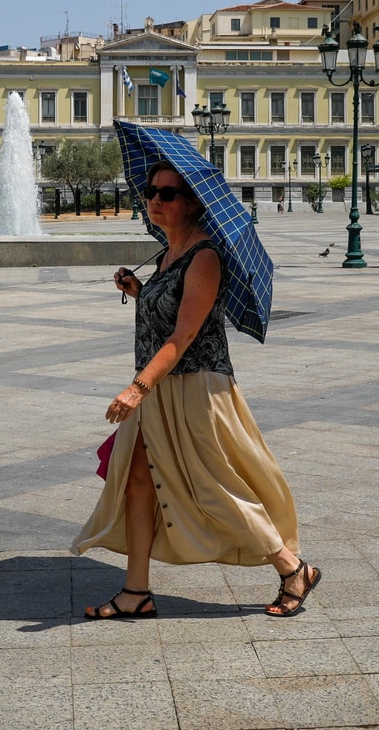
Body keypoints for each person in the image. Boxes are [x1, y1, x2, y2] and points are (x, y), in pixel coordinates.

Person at [72, 160, 318, 620]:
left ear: (192, 204)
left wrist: (136, 388)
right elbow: (169, 315)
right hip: (163, 387)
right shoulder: (167, 254)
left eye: (167, 194)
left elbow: (183, 336)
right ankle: (135, 591)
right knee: (139, 482)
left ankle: (293, 568)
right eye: (151, 192)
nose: (155, 200)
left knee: (213, 485)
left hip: (196, 389)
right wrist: (142, 291)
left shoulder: (204, 257)